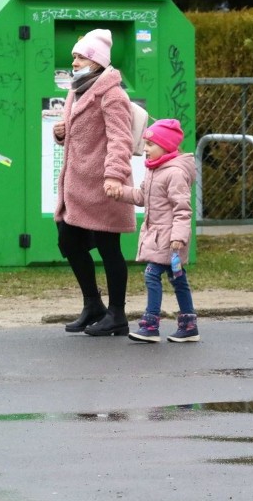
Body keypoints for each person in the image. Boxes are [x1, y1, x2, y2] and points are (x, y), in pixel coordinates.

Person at [53, 29, 136, 336]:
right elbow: (77, 134)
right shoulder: (76, 90)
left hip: (103, 184)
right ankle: (93, 305)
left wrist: (114, 176)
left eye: (81, 57)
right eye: (74, 56)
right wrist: (61, 133)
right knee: (68, 241)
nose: (74, 62)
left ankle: (117, 314)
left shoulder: (112, 93)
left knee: (108, 247)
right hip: (76, 184)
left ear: (97, 61)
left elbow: (120, 139)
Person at [109, 118, 200, 343]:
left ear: (166, 145)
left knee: (152, 274)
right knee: (177, 279)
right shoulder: (153, 170)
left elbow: (182, 210)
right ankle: (189, 325)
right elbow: (141, 197)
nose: (146, 150)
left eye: (150, 145)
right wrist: (121, 192)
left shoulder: (175, 173)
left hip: (170, 240)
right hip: (158, 237)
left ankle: (150, 325)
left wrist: (178, 238)